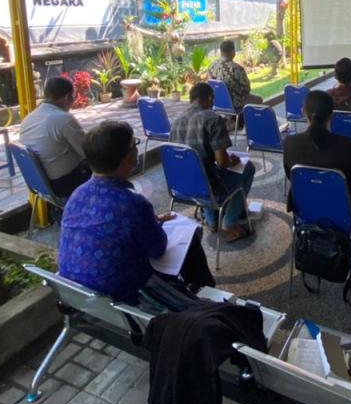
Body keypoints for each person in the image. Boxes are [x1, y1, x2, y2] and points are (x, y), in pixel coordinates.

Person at [57, 121, 215, 304]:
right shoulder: (133, 204)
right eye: (134, 144)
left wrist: (150, 221)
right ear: (127, 158)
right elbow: (157, 249)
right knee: (190, 237)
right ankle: (206, 297)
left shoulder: (77, 195)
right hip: (124, 298)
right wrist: (153, 225)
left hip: (78, 296)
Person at [170, 82, 255, 242]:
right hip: (208, 185)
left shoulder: (176, 122)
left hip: (182, 185)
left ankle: (212, 220)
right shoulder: (213, 119)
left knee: (201, 170)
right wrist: (232, 161)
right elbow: (222, 162)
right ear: (210, 98)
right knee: (247, 168)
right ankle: (229, 222)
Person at [282, 90, 351, 226]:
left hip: (305, 211)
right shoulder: (347, 145)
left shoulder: (290, 143)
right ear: (331, 115)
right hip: (345, 216)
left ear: (303, 112)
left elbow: (291, 176)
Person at [18, 76, 90, 199]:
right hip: (64, 184)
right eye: (73, 96)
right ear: (67, 97)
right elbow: (87, 151)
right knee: (105, 163)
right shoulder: (63, 119)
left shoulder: (28, 118)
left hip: (40, 183)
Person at [208, 39, 263, 112]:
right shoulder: (236, 68)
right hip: (235, 103)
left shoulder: (211, 66)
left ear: (221, 52)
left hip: (218, 103)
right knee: (258, 99)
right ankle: (247, 118)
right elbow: (246, 89)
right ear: (233, 52)